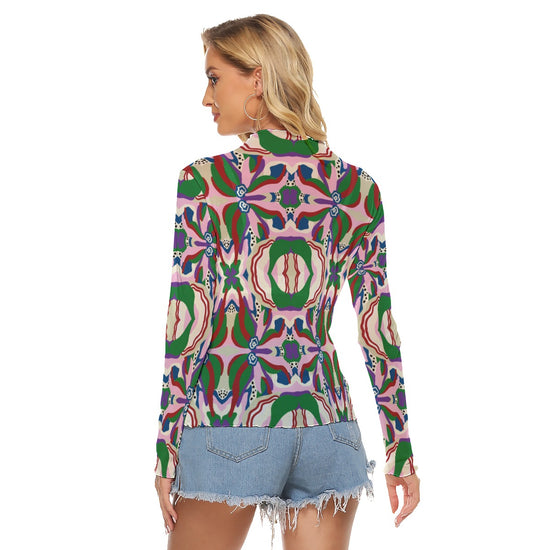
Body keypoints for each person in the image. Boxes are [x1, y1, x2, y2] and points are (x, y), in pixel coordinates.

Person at [154, 14, 420, 550]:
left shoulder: (206, 182)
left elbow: (188, 321)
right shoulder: (357, 188)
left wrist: (165, 447)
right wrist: (401, 449)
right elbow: (378, 327)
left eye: (213, 78)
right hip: (329, 427)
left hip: (230, 419)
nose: (206, 98)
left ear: (257, 78)